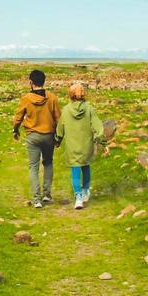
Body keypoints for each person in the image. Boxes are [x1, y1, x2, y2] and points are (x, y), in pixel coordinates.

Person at [13, 68, 60, 208]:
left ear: (31, 82)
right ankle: (47, 194)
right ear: (44, 81)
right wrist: (59, 138)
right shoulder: (52, 97)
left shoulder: (26, 98)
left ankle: (36, 200)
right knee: (48, 163)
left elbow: (18, 117)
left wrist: (15, 130)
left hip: (33, 136)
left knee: (33, 167)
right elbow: (58, 119)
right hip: (49, 136)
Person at [55, 81, 103, 209]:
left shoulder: (66, 110)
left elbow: (60, 128)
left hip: (72, 146)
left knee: (75, 170)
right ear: (83, 94)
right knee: (86, 166)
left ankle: (78, 198)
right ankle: (86, 190)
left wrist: (58, 140)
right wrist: (99, 136)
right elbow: (97, 125)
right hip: (86, 144)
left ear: (70, 95)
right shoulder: (89, 108)